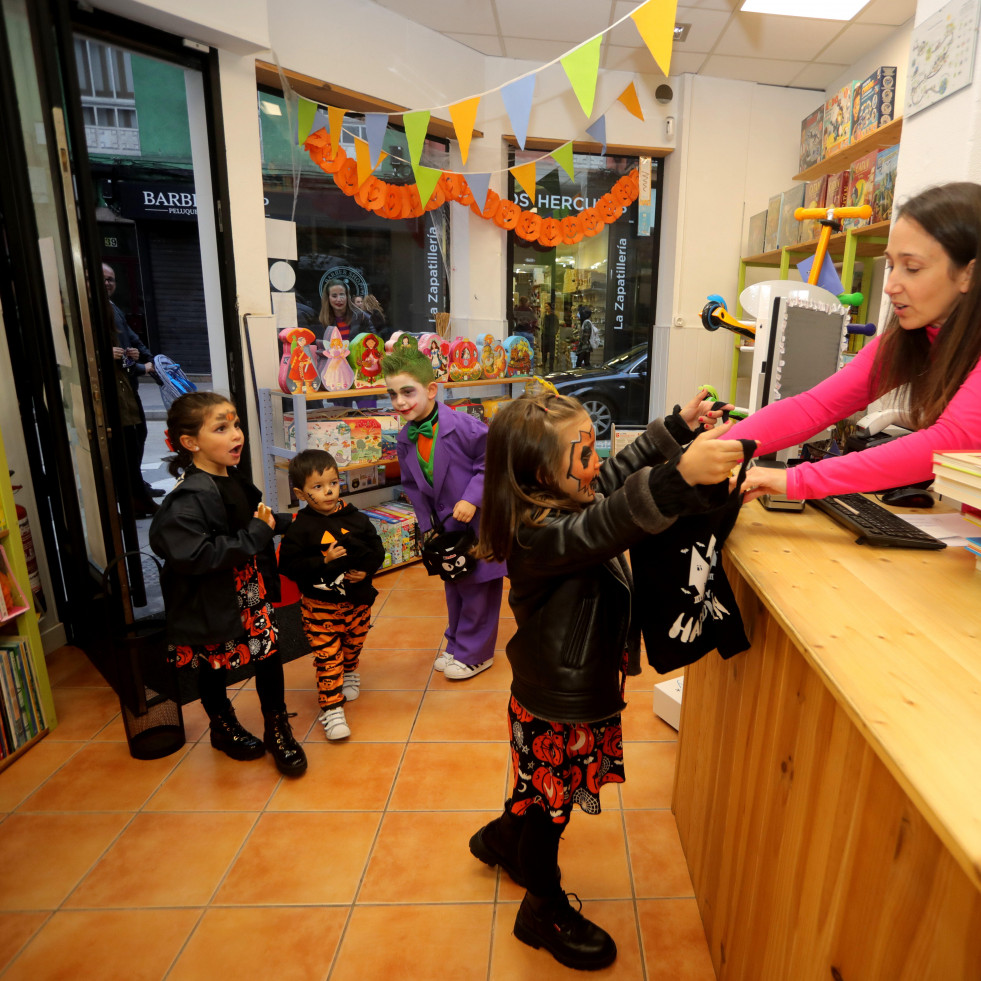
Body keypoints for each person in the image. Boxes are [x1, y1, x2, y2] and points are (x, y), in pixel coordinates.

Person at [468, 390, 744, 970]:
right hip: (558, 702)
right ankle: (539, 908)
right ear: (542, 472)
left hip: (562, 690)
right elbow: (610, 522)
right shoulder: (537, 533)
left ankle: (499, 840)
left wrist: (673, 428)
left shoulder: (561, 495)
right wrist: (674, 478)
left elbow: (613, 478)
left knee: (537, 785)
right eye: (584, 452)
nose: (597, 462)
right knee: (552, 807)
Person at [736, 181, 981, 502]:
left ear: (968, 275)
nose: (891, 285)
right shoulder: (915, 337)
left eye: (912, 268)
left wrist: (797, 480)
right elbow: (815, 407)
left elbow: (949, 441)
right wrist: (715, 448)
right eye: (892, 265)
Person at [148, 392, 307, 776]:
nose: (236, 434)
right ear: (190, 443)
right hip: (213, 598)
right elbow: (196, 553)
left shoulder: (230, 477)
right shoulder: (187, 498)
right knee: (215, 663)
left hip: (248, 589)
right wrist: (256, 533)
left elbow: (255, 520)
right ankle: (222, 725)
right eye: (221, 427)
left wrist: (292, 522)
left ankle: (277, 727)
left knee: (268, 654)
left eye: (235, 425)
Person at [382, 347, 504, 679]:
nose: (400, 401)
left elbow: (491, 462)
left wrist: (471, 498)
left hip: (477, 524)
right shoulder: (406, 436)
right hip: (446, 529)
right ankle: (456, 645)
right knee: (455, 584)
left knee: (479, 589)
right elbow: (410, 482)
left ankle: (477, 653)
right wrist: (426, 524)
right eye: (393, 394)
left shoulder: (465, 426)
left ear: (431, 390)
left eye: (408, 392)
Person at [279, 449, 384, 740]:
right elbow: (287, 567)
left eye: (333, 483)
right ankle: (332, 708)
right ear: (301, 493)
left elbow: (377, 550)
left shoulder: (357, 519)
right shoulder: (300, 529)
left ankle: (350, 669)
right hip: (319, 608)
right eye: (318, 487)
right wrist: (322, 562)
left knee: (353, 645)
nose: (328, 491)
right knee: (327, 658)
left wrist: (366, 571)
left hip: (357, 603)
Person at [103, 262, 161, 516]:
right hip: (115, 390)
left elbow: (129, 343)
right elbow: (111, 356)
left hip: (126, 384)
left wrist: (146, 359)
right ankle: (135, 496)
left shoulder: (112, 308)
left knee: (137, 438)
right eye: (103, 278)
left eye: (111, 279)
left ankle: (138, 490)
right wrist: (141, 366)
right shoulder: (93, 312)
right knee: (128, 446)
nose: (107, 283)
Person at [318, 278, 371, 343]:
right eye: (334, 296)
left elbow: (372, 342)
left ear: (347, 296)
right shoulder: (322, 321)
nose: (339, 299)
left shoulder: (361, 317)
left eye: (342, 294)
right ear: (328, 298)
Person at [541, 302, 559, 373]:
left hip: (551, 336)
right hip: (545, 335)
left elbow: (556, 326)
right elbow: (543, 325)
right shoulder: (544, 316)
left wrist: (554, 333)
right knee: (544, 351)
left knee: (551, 351)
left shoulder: (554, 316)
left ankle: (551, 366)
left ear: (550, 307)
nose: (546, 308)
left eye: (547, 306)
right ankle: (544, 364)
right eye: (545, 306)